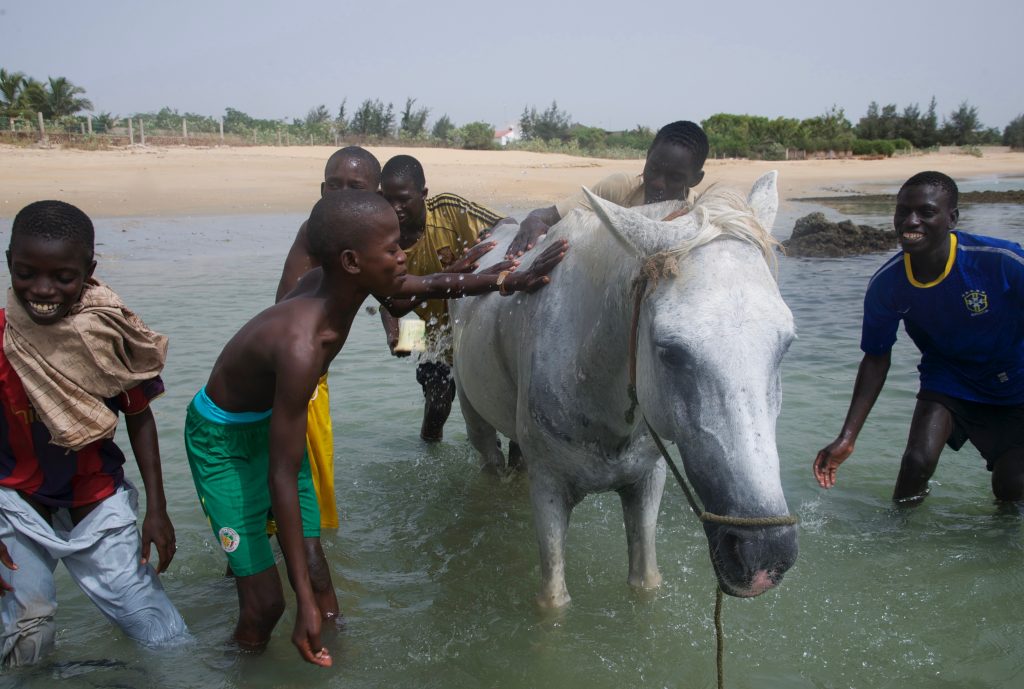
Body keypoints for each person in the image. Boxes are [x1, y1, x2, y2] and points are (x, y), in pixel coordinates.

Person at [184, 190, 566, 666]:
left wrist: (508, 279)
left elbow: (427, 285)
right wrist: (300, 601)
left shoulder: (348, 283)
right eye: (392, 249)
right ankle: (239, 667)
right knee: (267, 606)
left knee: (318, 572)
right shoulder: (302, 344)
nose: (403, 255)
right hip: (222, 443)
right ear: (351, 261)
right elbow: (282, 473)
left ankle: (333, 659)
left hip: (269, 423)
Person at [0, 200, 186, 666]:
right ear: (8, 263)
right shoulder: (3, 336)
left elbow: (140, 417)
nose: (42, 290)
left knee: (161, 634)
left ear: (89, 271)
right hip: (16, 503)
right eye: (26, 273)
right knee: (28, 637)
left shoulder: (109, 334)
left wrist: (157, 511)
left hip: (96, 500)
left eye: (63, 277)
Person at [813, 171, 1024, 504]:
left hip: (1015, 383)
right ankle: (894, 542)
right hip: (949, 378)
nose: (911, 221)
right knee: (916, 462)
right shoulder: (888, 285)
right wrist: (847, 437)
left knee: (1011, 489)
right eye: (903, 211)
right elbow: (876, 357)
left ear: (951, 217)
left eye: (926, 212)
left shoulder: (1002, 262)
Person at [274, 146, 382, 537]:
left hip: (311, 380)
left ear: (375, 194)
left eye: (354, 187)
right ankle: (300, 582)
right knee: (291, 492)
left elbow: (396, 296)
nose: (342, 195)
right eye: (334, 186)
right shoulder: (315, 233)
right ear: (322, 191)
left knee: (296, 492)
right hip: (295, 379)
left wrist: (399, 336)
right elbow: (283, 307)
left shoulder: (372, 233)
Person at [378, 154, 516, 441]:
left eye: (403, 200)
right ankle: (429, 455)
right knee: (438, 406)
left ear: (424, 194)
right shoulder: (381, 237)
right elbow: (389, 300)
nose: (396, 209)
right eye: (388, 200)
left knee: (511, 415)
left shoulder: (448, 211)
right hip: (436, 336)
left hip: (480, 333)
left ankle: (515, 469)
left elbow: (508, 226)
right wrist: (395, 337)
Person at [505, 120, 709, 258]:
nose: (658, 183)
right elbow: (548, 215)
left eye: (674, 178)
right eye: (653, 169)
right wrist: (532, 220)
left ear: (696, 180)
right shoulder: (620, 188)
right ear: (647, 157)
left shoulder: (698, 217)